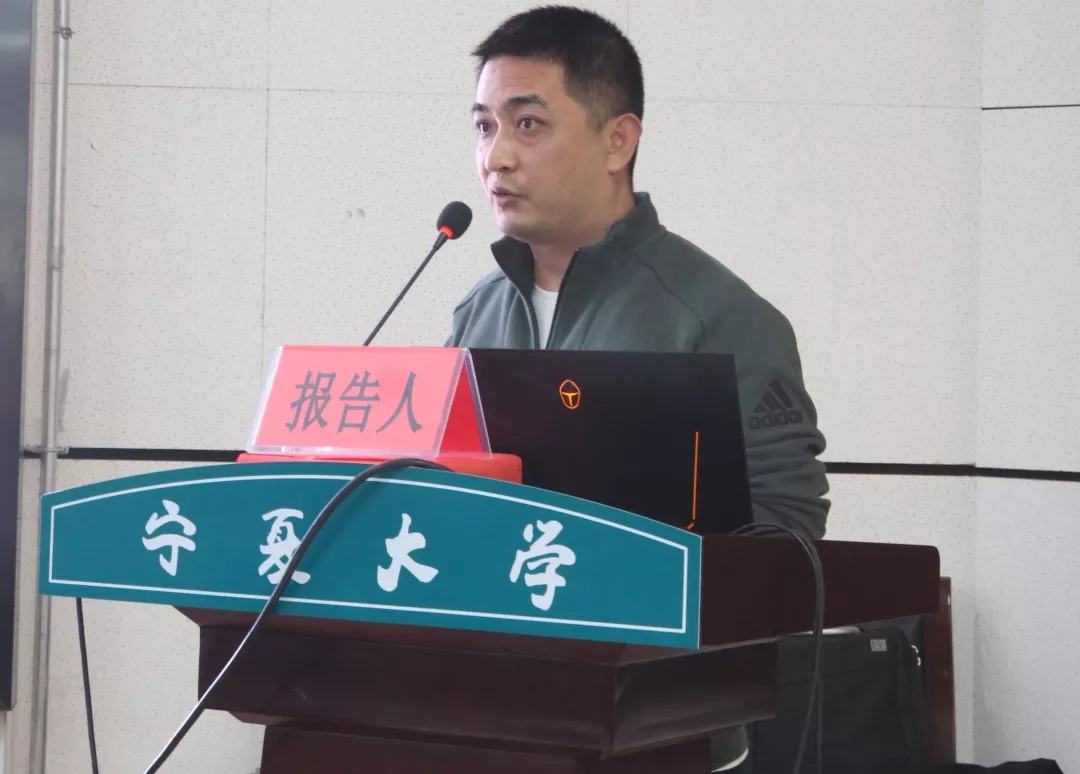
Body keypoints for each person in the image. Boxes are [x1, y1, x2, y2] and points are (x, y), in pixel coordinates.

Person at [446, 7, 830, 771]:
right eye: (484, 127)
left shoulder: (716, 316)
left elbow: (787, 533)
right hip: (492, 716)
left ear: (617, 141)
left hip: (665, 727)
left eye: (528, 125)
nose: (496, 158)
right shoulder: (476, 313)